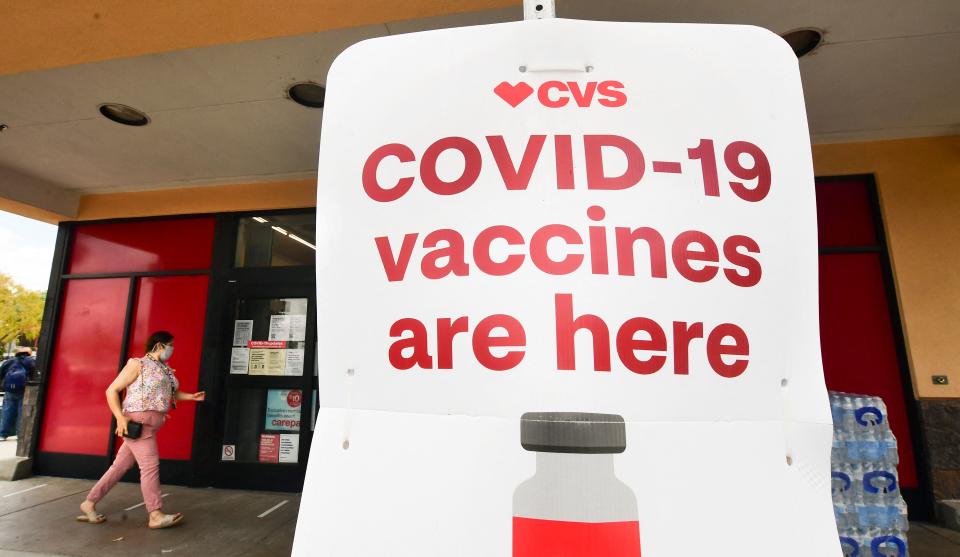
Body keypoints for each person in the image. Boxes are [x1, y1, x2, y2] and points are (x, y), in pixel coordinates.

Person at [77, 331, 205, 529]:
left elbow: (172, 393)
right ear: (159, 345)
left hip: (150, 424)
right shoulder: (138, 364)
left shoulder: (165, 369)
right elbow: (112, 390)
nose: (172, 349)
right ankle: (155, 514)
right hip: (138, 423)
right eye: (170, 345)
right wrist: (120, 418)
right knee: (150, 466)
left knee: (119, 467)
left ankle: (89, 503)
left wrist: (192, 397)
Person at [0, 347, 35, 441]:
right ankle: (20, 435)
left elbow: (1, 372)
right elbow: (35, 374)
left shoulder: (9, 361)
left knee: (7, 411)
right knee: (22, 412)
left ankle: (3, 434)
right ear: (29, 353)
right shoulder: (30, 361)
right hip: (24, 390)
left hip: (9, 390)